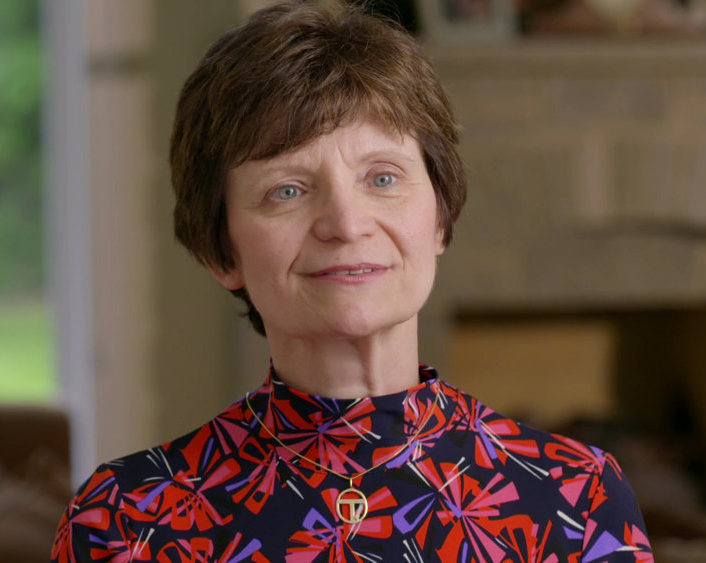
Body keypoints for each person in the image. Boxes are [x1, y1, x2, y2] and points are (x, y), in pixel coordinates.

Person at [51, 1, 653, 561]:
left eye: (382, 178)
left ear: (440, 218)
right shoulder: (124, 521)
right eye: (287, 190)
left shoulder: (576, 496)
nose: (345, 223)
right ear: (221, 250)